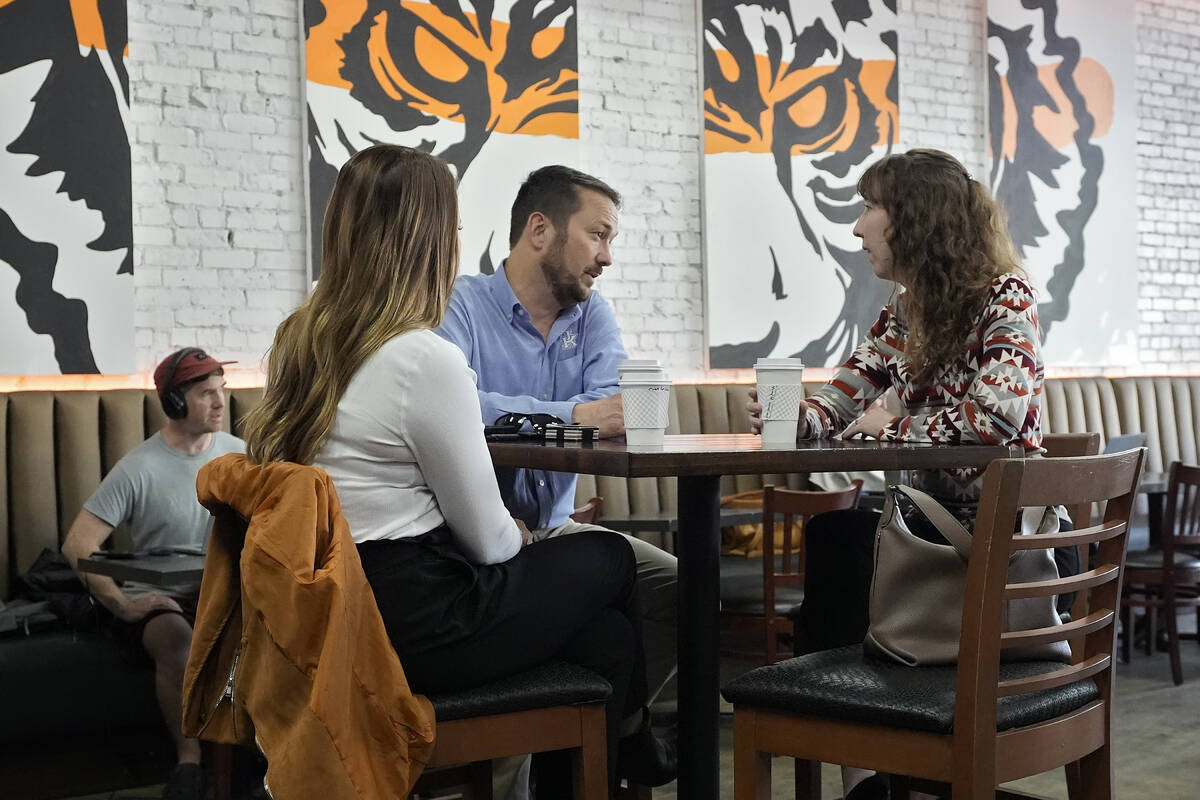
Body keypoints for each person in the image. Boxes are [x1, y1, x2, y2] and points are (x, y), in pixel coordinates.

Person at [238, 145, 675, 797]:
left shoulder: (302, 344)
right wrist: (522, 539)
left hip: (331, 611)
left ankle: (624, 738)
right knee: (610, 559)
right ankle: (634, 736)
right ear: (431, 239)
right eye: (456, 230)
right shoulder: (421, 358)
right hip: (415, 622)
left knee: (608, 635)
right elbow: (489, 541)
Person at [747, 148, 1048, 800]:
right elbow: (844, 397)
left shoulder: (1006, 297)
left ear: (914, 219)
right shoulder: (908, 309)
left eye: (870, 207)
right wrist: (796, 418)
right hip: (928, 537)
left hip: (988, 546)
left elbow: (994, 420)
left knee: (842, 544)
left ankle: (883, 775)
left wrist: (897, 430)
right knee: (835, 539)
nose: (856, 226)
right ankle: (871, 778)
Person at [436, 164, 679, 710]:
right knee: (593, 621)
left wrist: (582, 416)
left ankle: (619, 726)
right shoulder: (460, 305)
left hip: (554, 529)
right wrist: (575, 414)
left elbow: (617, 411)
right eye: (598, 235)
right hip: (474, 542)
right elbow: (457, 407)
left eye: (610, 240)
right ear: (540, 231)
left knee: (680, 588)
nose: (608, 257)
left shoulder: (592, 314)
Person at [62, 348, 245, 800]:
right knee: (178, 642)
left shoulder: (241, 457)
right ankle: (189, 763)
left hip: (222, 591)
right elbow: (77, 546)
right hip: (161, 598)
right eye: (206, 394)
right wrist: (123, 606)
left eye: (221, 391)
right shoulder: (138, 468)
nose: (220, 403)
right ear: (176, 402)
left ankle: (257, 761)